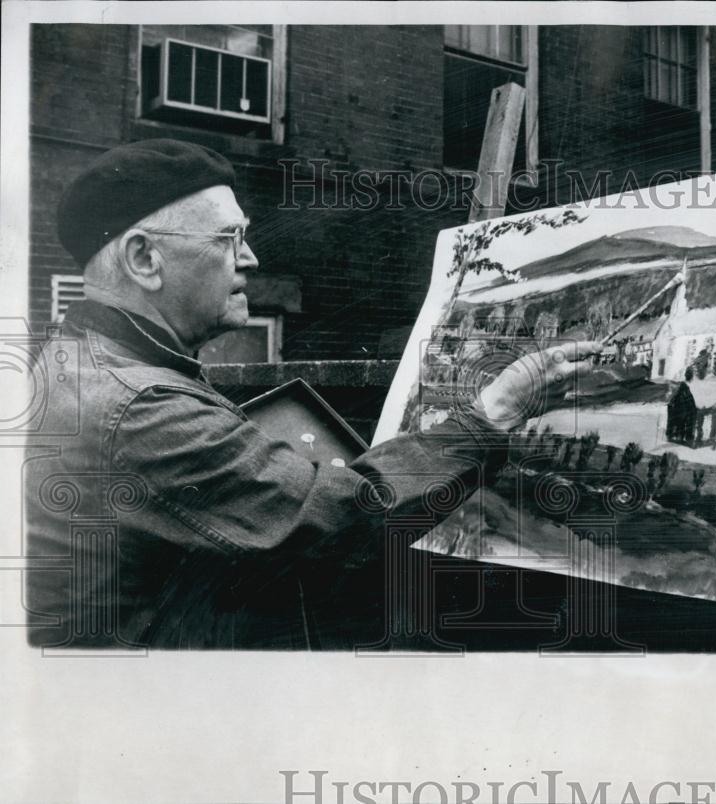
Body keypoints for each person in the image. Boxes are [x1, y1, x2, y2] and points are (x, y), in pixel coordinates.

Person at [25, 139, 597, 650]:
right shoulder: (138, 406)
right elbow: (343, 518)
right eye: (231, 238)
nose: (252, 258)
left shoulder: (80, 360)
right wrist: (487, 417)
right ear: (145, 258)